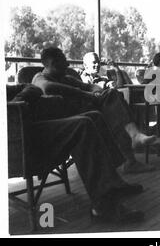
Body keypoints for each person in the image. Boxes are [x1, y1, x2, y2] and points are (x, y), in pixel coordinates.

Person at [8, 84, 145, 223]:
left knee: (94, 116)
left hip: (27, 129)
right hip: (18, 143)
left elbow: (31, 87)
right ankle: (103, 206)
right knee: (82, 125)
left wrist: (18, 98)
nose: (67, 65)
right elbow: (40, 87)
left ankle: (114, 183)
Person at [32, 47, 156, 174]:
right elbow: (48, 88)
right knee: (114, 110)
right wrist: (86, 95)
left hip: (83, 115)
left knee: (113, 99)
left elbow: (89, 86)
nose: (68, 64)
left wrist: (96, 91)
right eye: (64, 61)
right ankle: (131, 151)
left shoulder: (65, 78)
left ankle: (133, 142)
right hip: (62, 124)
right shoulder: (40, 77)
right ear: (53, 63)